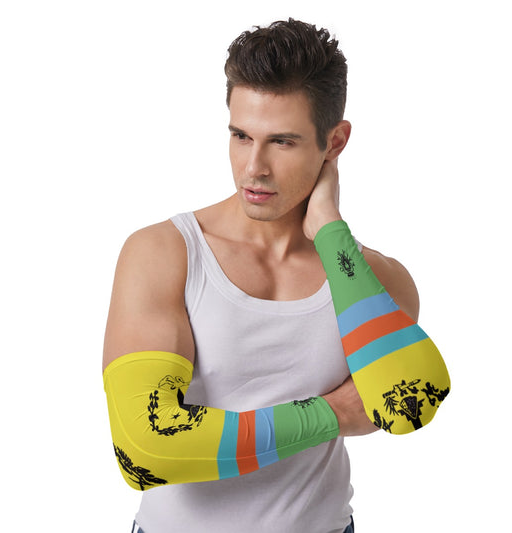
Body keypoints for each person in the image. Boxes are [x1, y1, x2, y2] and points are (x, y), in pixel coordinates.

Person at [102, 19, 449, 533]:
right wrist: (333, 414)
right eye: (241, 136)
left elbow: (408, 401)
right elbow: (145, 448)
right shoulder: (165, 254)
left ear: (335, 141)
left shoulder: (371, 278)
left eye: (282, 142)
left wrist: (329, 231)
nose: (253, 168)